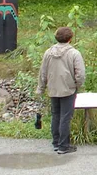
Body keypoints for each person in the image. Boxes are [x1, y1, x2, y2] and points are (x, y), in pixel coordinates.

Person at [36, 26, 86, 154]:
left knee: (56, 115)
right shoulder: (74, 53)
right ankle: (64, 146)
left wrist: (41, 88)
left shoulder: (48, 53)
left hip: (52, 88)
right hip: (68, 89)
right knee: (65, 117)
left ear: (56, 37)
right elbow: (80, 74)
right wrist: (77, 85)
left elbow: (43, 72)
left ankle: (56, 142)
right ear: (70, 38)